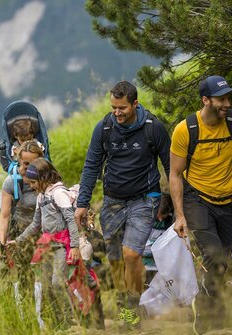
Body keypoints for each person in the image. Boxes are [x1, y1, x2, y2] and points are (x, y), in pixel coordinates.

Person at [169, 75, 232, 333]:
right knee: (215, 258)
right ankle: (211, 316)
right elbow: (175, 174)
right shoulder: (186, 129)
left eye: (228, 98)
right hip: (197, 200)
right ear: (206, 100)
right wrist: (180, 215)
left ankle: (208, 304)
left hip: (229, 202)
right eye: (221, 99)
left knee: (221, 261)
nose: (227, 103)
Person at [74, 81, 171, 326]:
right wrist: (82, 203)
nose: (117, 113)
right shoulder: (105, 127)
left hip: (144, 199)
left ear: (135, 104)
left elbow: (171, 167)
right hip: (112, 202)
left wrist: (180, 207)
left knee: (131, 255)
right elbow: (91, 165)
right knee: (115, 260)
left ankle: (131, 309)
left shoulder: (153, 128)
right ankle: (122, 299)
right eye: (113, 107)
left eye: (122, 108)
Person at [10, 158, 80, 330]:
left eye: (33, 182)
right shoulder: (41, 196)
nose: (32, 186)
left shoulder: (58, 193)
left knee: (57, 283)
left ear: (44, 177)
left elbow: (70, 219)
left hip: (62, 246)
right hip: (48, 247)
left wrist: (76, 246)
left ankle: (71, 315)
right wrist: (18, 241)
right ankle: (59, 323)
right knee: (47, 286)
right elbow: (35, 224)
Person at [0, 140, 44, 290]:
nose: (30, 168)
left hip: (46, 231)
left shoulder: (47, 178)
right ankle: (28, 310)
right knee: (25, 276)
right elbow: (4, 216)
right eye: (26, 164)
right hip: (21, 233)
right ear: (18, 161)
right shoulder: (11, 182)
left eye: (35, 163)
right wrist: (2, 242)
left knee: (48, 276)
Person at [142, 193, 174, 285]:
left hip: (162, 267)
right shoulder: (144, 218)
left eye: (164, 215)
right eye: (158, 215)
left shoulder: (171, 221)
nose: (160, 219)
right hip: (145, 264)